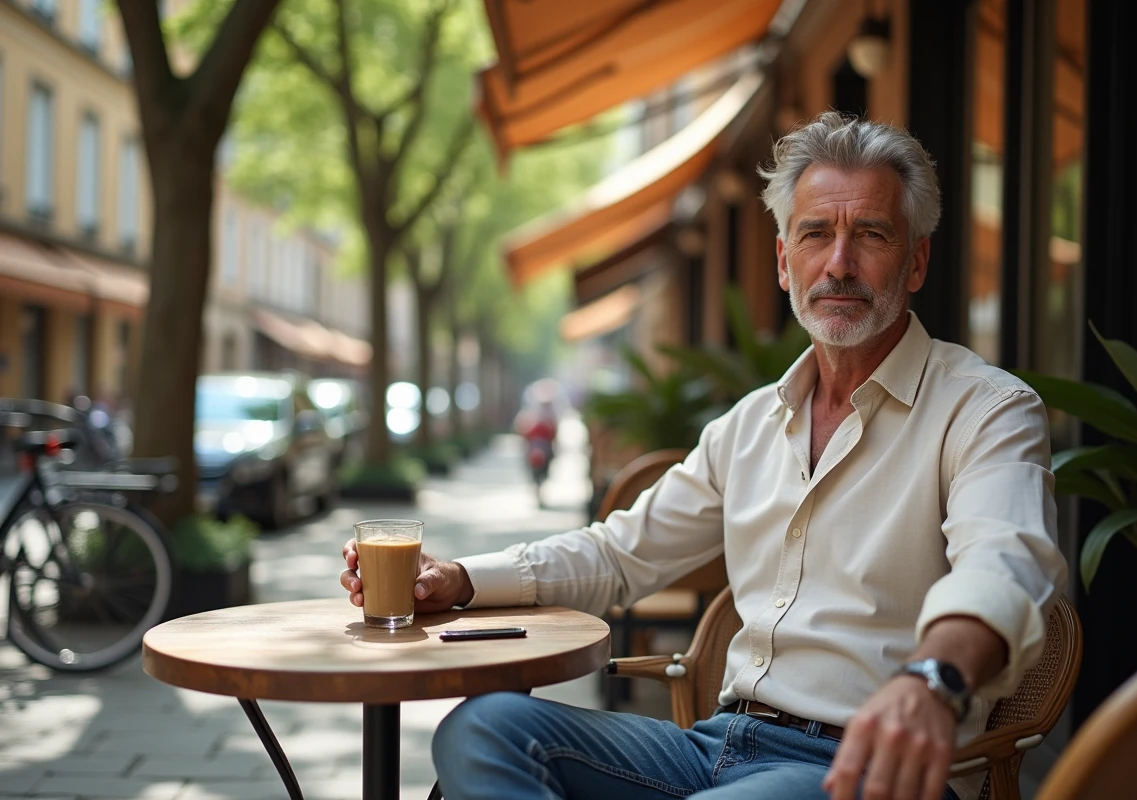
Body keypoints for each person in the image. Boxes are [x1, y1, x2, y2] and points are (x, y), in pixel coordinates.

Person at [339, 112, 1068, 800]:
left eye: (871, 235)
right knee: (484, 730)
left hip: (868, 767)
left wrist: (934, 680)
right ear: (784, 262)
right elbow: (620, 555)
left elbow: (1005, 566)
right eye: (815, 234)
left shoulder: (986, 410)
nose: (839, 264)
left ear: (916, 262)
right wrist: (460, 578)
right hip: (717, 746)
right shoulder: (748, 426)